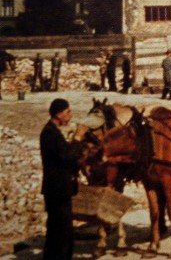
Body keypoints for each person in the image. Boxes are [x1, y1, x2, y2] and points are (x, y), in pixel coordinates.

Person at [40, 97, 87, 260]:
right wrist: (78, 138)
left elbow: (65, 155)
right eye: (68, 112)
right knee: (62, 233)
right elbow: (66, 156)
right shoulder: (49, 133)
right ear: (59, 114)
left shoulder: (53, 132)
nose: (70, 115)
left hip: (59, 188)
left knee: (57, 232)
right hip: (57, 189)